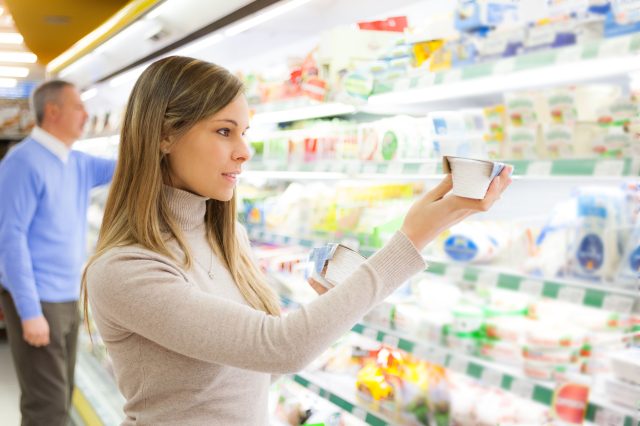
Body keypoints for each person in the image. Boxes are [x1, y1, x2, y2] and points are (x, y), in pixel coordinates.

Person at [83, 56, 511, 426]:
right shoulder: (126, 269)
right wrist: (416, 235)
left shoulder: (227, 237)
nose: (245, 151)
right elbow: (280, 347)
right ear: (163, 135)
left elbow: (253, 373)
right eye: (224, 131)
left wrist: (332, 308)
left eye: (245, 132)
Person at [0, 80, 116, 426]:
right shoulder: (21, 163)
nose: (86, 114)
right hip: (38, 301)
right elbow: (9, 239)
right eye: (79, 106)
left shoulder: (75, 161)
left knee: (61, 396)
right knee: (46, 407)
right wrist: (29, 311)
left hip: (66, 298)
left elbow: (128, 166)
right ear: (53, 111)